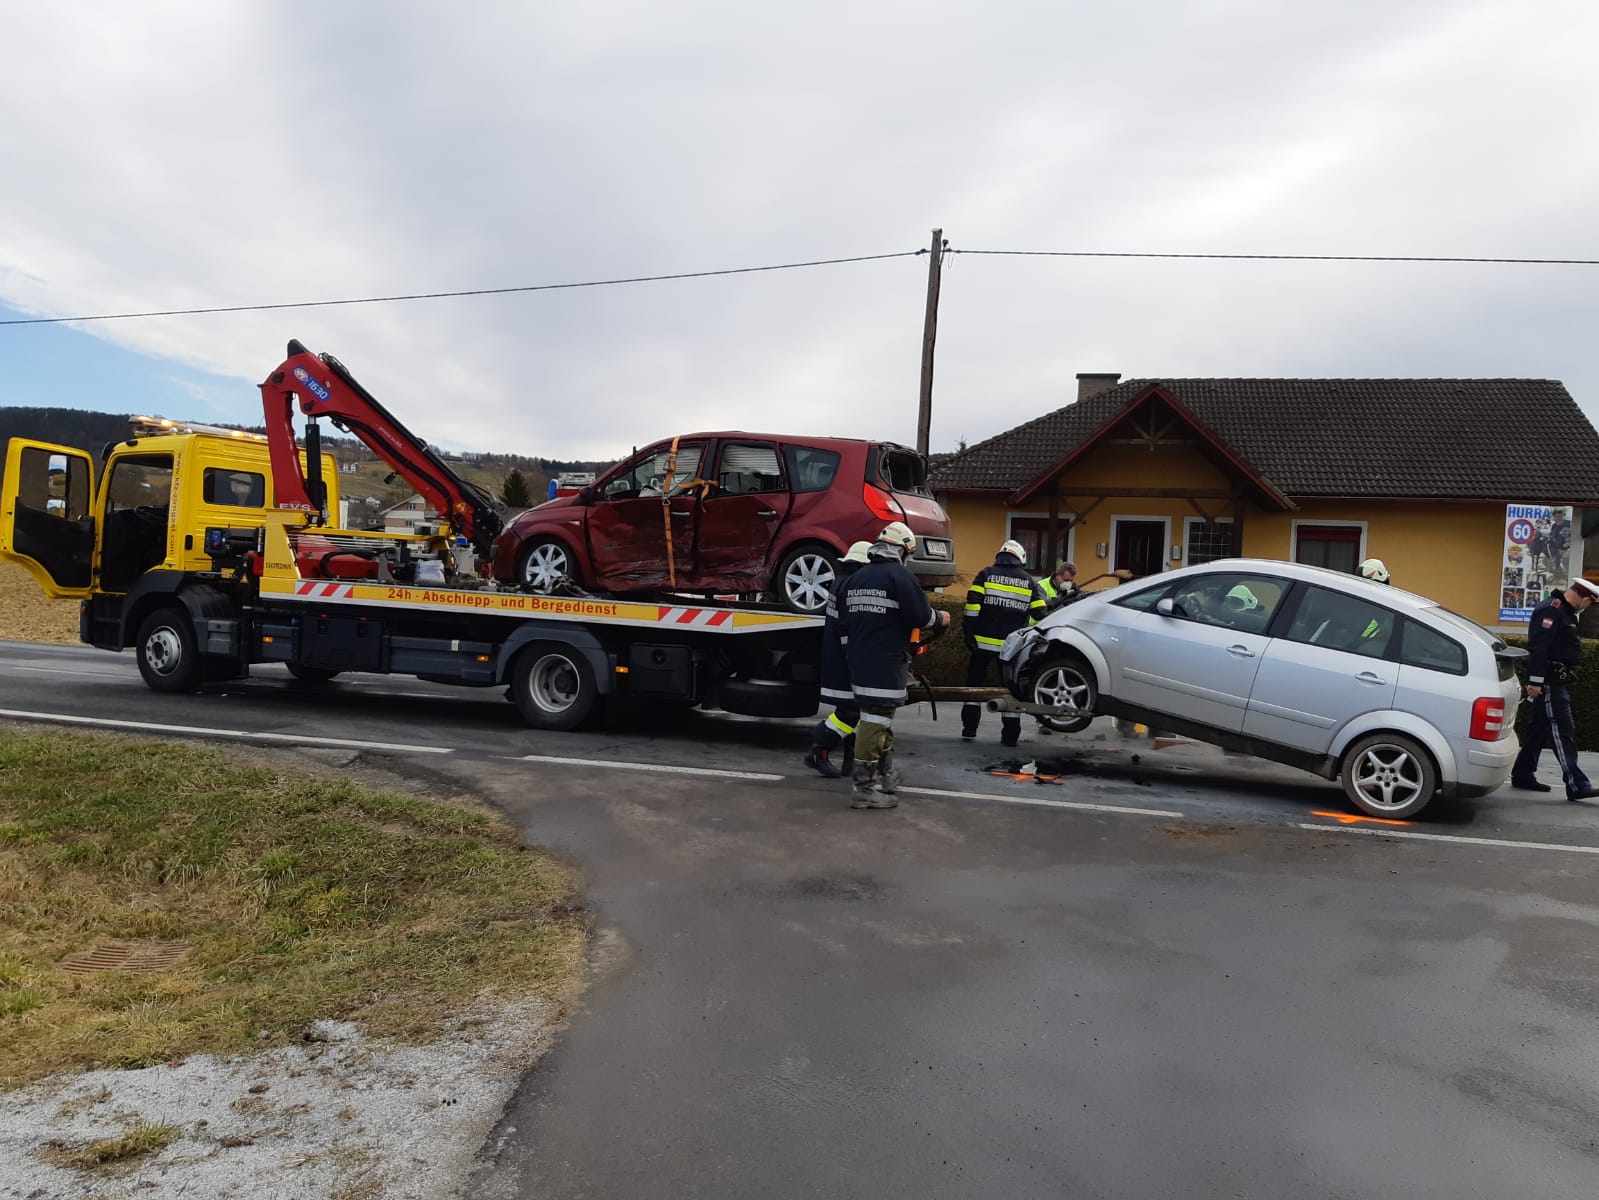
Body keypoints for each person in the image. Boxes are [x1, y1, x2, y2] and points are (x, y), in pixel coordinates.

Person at [841, 521, 949, 808]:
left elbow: (844, 619)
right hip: (886, 661)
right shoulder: (899, 576)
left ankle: (885, 776)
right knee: (874, 720)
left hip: (860, 659)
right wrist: (941, 618)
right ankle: (864, 788)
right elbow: (921, 617)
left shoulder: (857, 577)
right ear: (902, 550)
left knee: (880, 718)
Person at [1511, 576, 1599, 800]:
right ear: (1583, 597)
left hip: (1553, 680)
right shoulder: (1552, 610)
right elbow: (1539, 647)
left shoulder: (1565, 613)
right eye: (1590, 602)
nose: (1588, 607)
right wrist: (1535, 681)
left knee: (1539, 730)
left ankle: (1522, 774)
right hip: (1549, 682)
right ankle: (1577, 784)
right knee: (1563, 730)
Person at [961, 539, 1047, 747]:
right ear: (1020, 558)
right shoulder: (1028, 581)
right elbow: (1039, 613)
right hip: (1011, 649)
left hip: (982, 644)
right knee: (1010, 690)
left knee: (973, 686)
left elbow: (972, 606)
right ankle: (1010, 736)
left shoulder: (986, 574)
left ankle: (969, 728)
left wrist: (969, 633)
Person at [803, 541, 873, 779]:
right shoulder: (851, 587)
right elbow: (850, 627)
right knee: (850, 712)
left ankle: (849, 762)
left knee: (856, 710)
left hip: (838, 657)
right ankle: (819, 748)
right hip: (847, 660)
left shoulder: (840, 582)